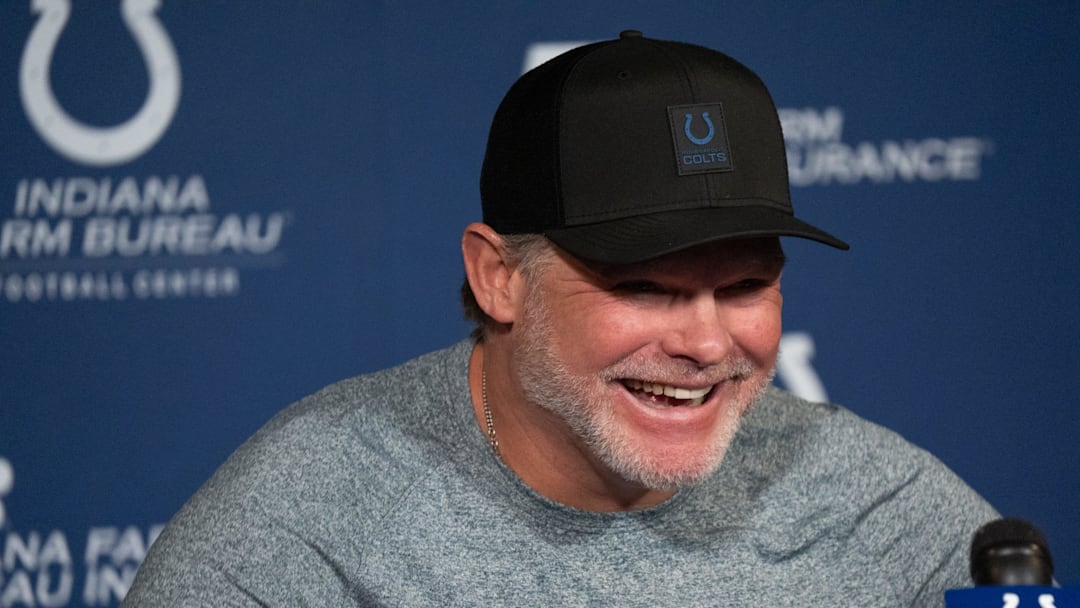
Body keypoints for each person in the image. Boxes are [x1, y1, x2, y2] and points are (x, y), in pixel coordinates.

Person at [123, 31, 997, 606]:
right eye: (646, 287)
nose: (703, 342)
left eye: (743, 287)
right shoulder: (302, 529)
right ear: (499, 277)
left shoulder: (875, 502)